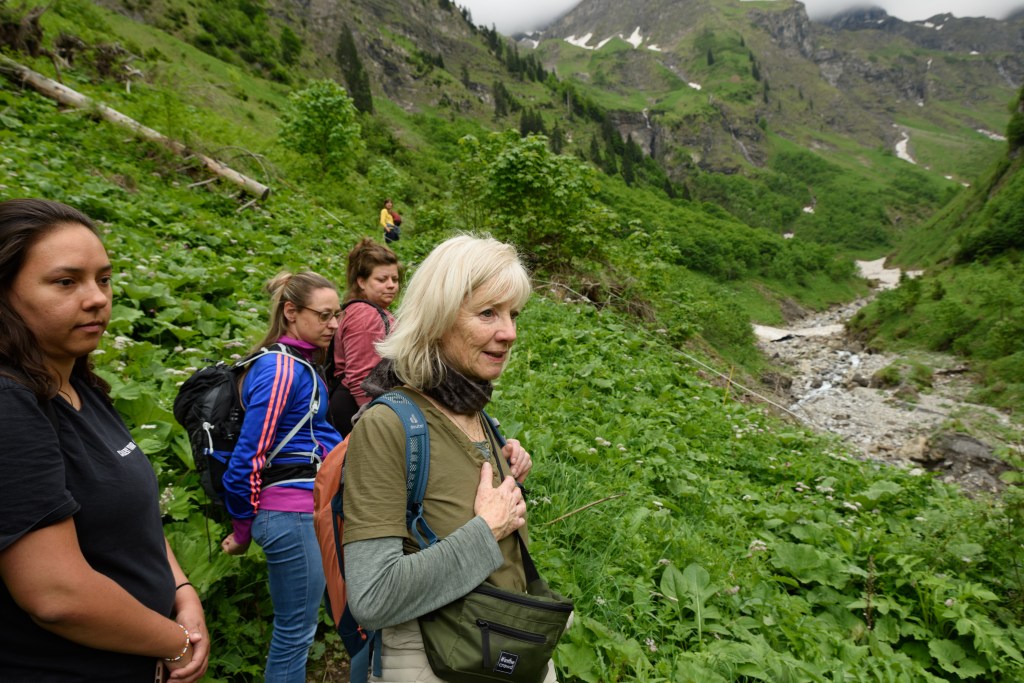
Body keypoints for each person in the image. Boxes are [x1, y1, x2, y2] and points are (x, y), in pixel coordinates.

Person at [0, 198, 209, 682]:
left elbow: (132, 516)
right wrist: (176, 642)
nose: (96, 298)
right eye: (66, 281)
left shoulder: (80, 386)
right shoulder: (12, 403)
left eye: (104, 279)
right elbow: (56, 595)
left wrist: (182, 591)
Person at [342, 234, 556, 682]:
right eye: (488, 313)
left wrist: (506, 468)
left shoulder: (476, 414)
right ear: (437, 318)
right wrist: (487, 530)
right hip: (435, 661)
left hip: (502, 645)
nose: (510, 332)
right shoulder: (387, 426)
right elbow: (373, 596)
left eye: (513, 314)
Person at [219, 271, 343, 683]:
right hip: (290, 513)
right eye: (324, 315)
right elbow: (247, 459)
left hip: (305, 509)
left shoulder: (301, 365)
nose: (334, 325)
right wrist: (241, 530)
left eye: (337, 315)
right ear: (291, 312)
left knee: (299, 631)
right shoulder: (281, 369)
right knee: (295, 635)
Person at [328, 237, 400, 436]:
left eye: (394, 279)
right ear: (361, 282)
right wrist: (373, 420)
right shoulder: (365, 315)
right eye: (382, 279)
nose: (391, 285)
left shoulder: (369, 310)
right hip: (358, 408)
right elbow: (362, 375)